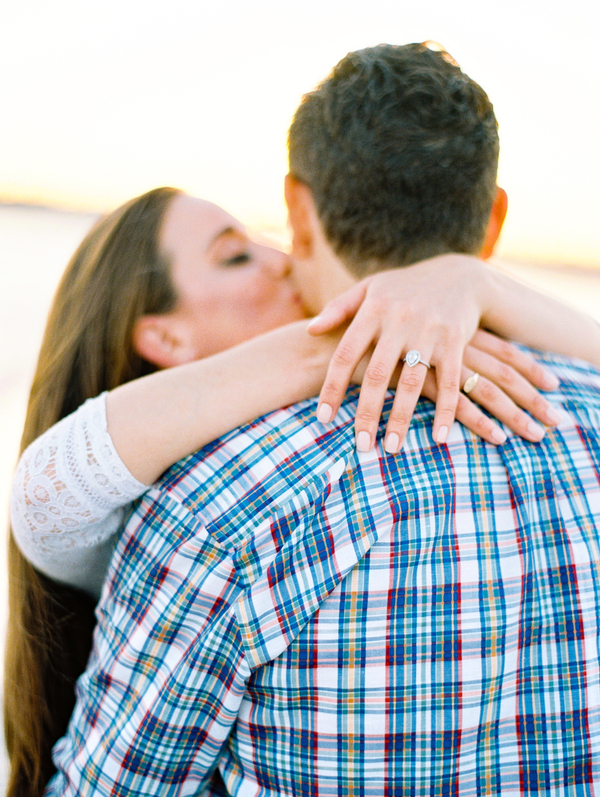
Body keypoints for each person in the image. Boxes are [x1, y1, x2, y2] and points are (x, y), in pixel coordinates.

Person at [42, 43, 600, 795]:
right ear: (494, 216)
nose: (273, 259)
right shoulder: (585, 412)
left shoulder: (221, 505)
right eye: (235, 255)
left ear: (298, 211)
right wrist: (477, 287)